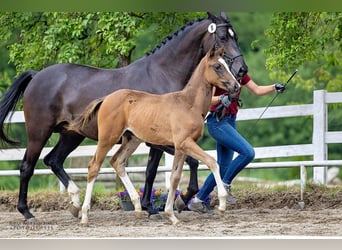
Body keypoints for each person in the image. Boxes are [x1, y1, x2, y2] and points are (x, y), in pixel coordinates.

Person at [188, 73, 286, 213]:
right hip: (217, 122)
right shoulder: (219, 75)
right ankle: (225, 185)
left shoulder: (240, 74)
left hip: (230, 121)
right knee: (248, 152)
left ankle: (198, 201)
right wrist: (222, 98)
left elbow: (256, 90)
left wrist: (274, 87)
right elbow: (207, 100)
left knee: (222, 167)